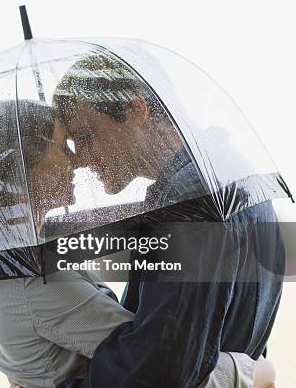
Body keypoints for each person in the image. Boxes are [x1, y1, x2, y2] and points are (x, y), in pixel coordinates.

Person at [0, 99, 275, 388]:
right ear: (25, 164)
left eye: (83, 138)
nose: (76, 159)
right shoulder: (32, 276)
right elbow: (150, 358)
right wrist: (252, 373)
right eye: (64, 144)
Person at [52, 51, 284, 388]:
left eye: (85, 137)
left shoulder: (193, 199)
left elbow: (160, 368)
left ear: (136, 110)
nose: (80, 160)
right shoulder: (226, 172)